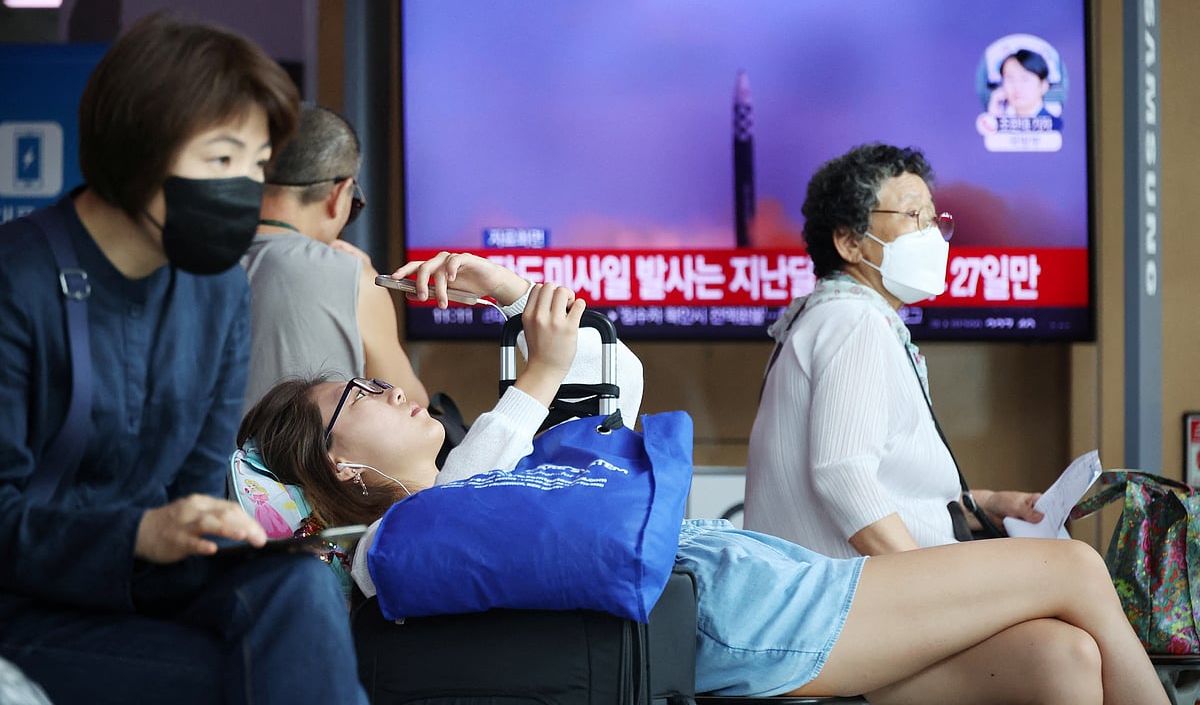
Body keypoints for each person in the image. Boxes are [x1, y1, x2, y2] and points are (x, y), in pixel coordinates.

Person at [240, 251, 1168, 704]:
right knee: (1074, 573)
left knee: (1062, 662)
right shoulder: (404, 545)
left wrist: (514, 297)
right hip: (747, 615)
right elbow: (458, 505)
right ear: (341, 464)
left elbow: (615, 386)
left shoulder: (477, 489)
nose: (389, 388)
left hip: (753, 599)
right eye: (356, 393)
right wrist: (530, 373)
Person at [0, 12, 367, 704]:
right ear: (139, 150)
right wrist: (138, 533)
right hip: (23, 607)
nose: (244, 186)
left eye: (256, 165)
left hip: (148, 586)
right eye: (221, 160)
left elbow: (195, 490)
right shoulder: (17, 282)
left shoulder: (218, 290)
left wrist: (206, 530)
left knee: (300, 581)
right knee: (238, 679)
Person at [744, 143, 1044, 558]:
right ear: (850, 243)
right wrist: (926, 582)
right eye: (912, 216)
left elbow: (884, 490)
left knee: (1060, 612)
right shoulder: (855, 322)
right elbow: (842, 473)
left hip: (837, 587)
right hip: (844, 598)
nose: (932, 234)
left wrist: (986, 504)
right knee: (1074, 565)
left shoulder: (833, 315)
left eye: (934, 219)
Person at [242, 104, 428, 413]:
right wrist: (365, 274)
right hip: (303, 463)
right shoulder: (353, 278)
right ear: (338, 194)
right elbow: (409, 408)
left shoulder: (177, 257)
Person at [987, 49, 1063, 130]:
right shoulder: (1001, 121)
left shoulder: (1053, 125)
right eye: (1010, 79)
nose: (1017, 87)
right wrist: (993, 118)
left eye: (1025, 79)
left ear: (1044, 86)